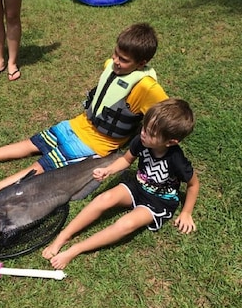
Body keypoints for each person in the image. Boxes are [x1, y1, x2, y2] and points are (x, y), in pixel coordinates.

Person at [0, 23, 168, 204]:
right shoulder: (111, 65)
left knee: (41, 166)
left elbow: (168, 116)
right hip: (80, 124)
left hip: (98, 143)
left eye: (124, 60)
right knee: (33, 143)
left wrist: (149, 140)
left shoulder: (147, 87)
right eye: (116, 54)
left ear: (142, 63)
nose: (117, 62)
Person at [42, 98, 200, 269]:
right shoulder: (142, 140)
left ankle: (76, 249)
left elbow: (193, 185)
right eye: (145, 127)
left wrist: (186, 212)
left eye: (151, 133)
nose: (143, 133)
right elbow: (126, 159)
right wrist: (108, 170)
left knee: (127, 224)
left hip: (158, 202)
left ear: (170, 142)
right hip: (138, 186)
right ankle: (64, 235)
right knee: (104, 198)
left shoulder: (176, 159)